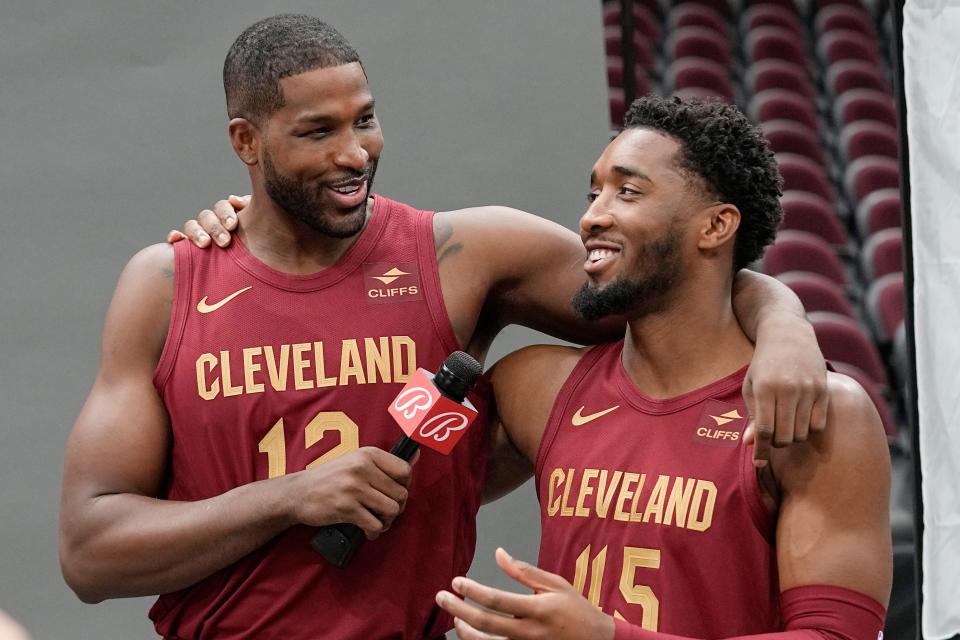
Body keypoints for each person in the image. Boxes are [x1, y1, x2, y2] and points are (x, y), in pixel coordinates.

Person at [59, 15, 827, 640]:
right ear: (246, 143)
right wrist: (290, 497)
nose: (354, 152)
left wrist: (785, 322)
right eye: (316, 131)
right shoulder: (167, 284)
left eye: (365, 120)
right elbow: (90, 555)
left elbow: (677, 277)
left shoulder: (467, 256)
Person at [434, 97, 892, 639]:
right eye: (594, 191)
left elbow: (835, 636)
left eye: (627, 192)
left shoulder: (818, 412)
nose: (592, 216)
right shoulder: (532, 386)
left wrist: (609, 638)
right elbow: (396, 501)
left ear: (716, 226)